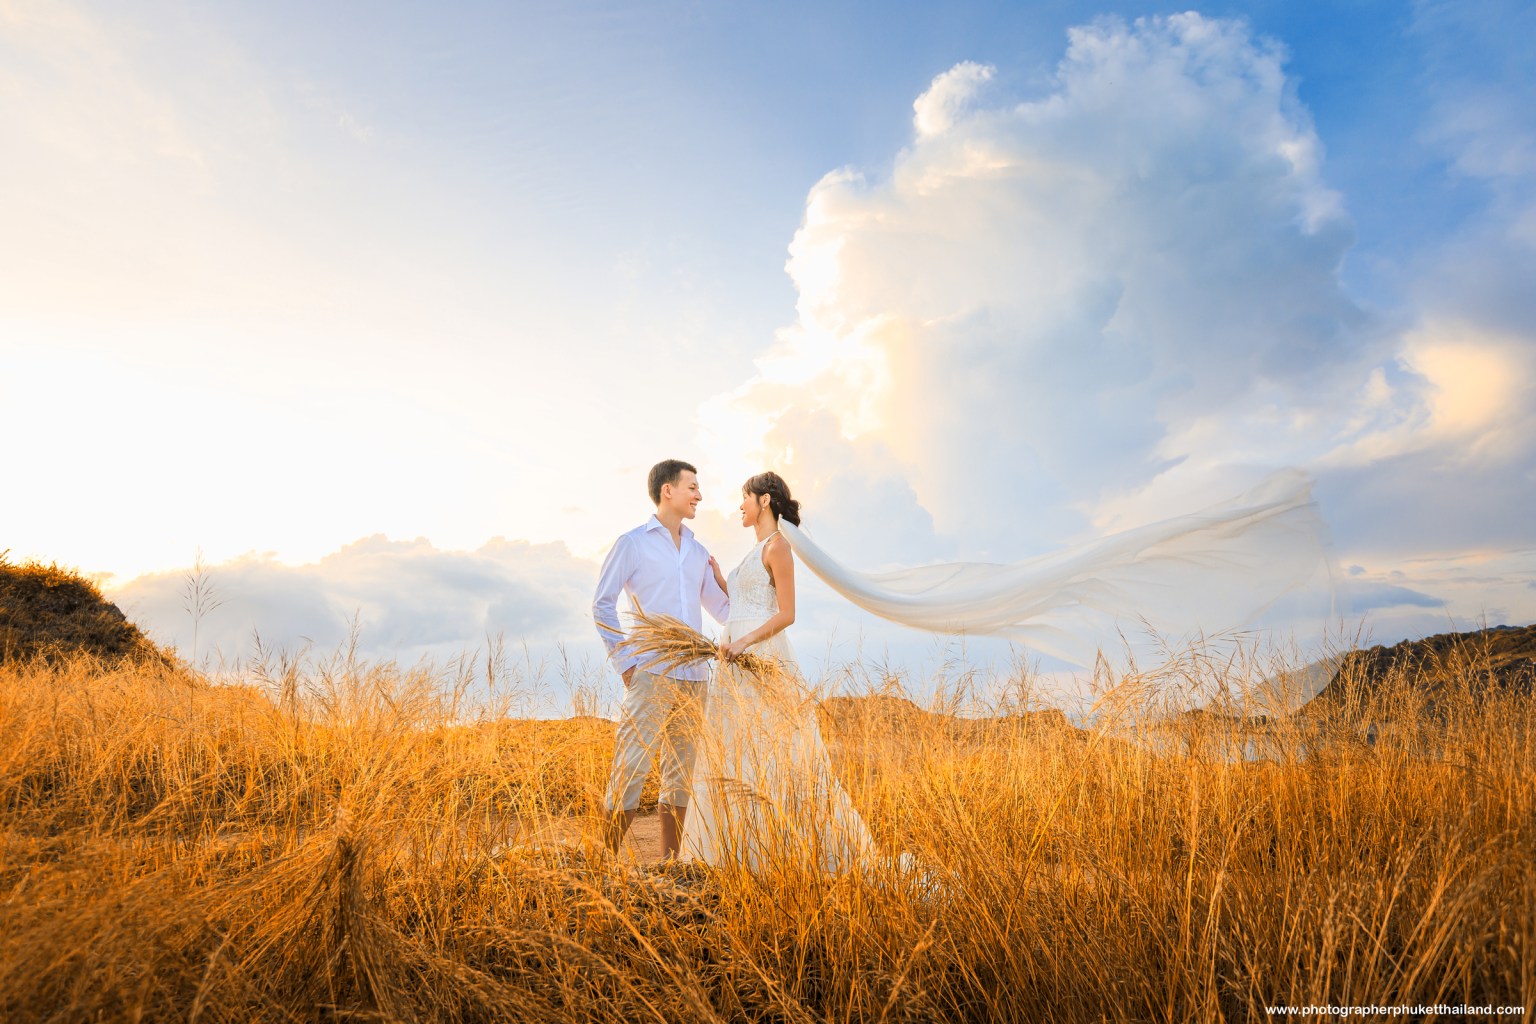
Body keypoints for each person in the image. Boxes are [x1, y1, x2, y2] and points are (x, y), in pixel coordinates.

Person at [680, 472, 879, 871]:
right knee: (737, 746)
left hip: (762, 658)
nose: (741, 506)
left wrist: (743, 642)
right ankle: (735, 851)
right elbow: (747, 600)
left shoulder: (779, 548)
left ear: (765, 501)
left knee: (772, 747)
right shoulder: (753, 551)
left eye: (745, 498)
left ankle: (779, 851)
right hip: (736, 661)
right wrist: (722, 581)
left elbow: (786, 613)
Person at [593, 459, 729, 860]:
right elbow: (602, 604)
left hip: (695, 675)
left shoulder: (698, 550)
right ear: (667, 490)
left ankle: (671, 867)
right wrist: (627, 664)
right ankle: (602, 864)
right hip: (650, 671)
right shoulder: (632, 543)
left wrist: (728, 585)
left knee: (681, 774)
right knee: (631, 766)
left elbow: (722, 612)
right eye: (692, 487)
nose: (699, 495)